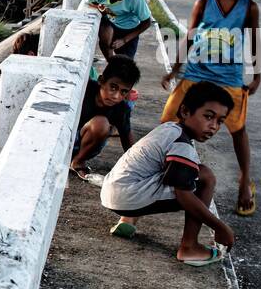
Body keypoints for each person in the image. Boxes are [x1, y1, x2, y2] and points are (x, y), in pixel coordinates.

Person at [159, 0, 261, 215]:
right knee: (168, 123)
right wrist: (175, 71)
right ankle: (161, 171)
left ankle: (244, 181)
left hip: (229, 77)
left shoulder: (249, 7)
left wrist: (256, 74)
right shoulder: (203, 4)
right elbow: (190, 38)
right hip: (195, 73)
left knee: (238, 131)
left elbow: (253, 41)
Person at [99, 80, 236, 266]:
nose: (213, 126)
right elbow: (183, 194)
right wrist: (220, 227)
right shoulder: (182, 144)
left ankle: (128, 220)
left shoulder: (169, 129)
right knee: (205, 177)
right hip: (125, 197)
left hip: (112, 191)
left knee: (178, 170)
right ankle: (189, 247)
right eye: (208, 117)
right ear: (186, 112)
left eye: (220, 121)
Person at [71, 56, 139, 180]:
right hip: (65, 138)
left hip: (82, 147)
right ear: (101, 80)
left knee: (102, 124)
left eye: (123, 92)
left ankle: (77, 162)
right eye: (113, 87)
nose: (116, 96)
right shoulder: (83, 89)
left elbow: (127, 139)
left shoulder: (122, 109)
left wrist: (139, 166)